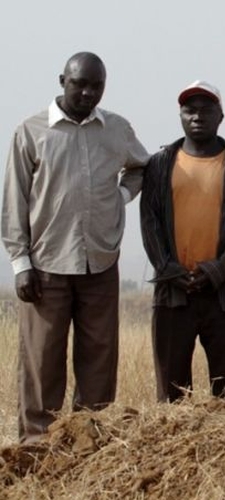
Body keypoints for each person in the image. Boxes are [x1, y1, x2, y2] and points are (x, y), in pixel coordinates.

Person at [1, 52, 149, 442]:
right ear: (61, 80)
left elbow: (141, 167)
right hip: (46, 265)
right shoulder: (31, 132)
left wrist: (120, 194)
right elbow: (14, 200)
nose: (87, 92)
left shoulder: (116, 128)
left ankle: (91, 444)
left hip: (100, 262)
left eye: (95, 86)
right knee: (42, 361)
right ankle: (37, 446)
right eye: (78, 83)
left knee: (99, 359)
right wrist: (20, 263)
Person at [140, 80, 225, 402]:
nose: (197, 116)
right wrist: (169, 270)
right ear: (180, 115)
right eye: (189, 110)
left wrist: (218, 271)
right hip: (172, 295)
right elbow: (149, 223)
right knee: (171, 396)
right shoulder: (160, 164)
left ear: (221, 116)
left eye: (206, 110)